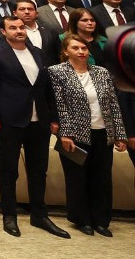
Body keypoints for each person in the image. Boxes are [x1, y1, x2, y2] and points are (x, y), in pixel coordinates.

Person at [0, 15, 68, 238]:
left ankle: (39, 215)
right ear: (3, 31)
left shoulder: (36, 51)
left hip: (39, 121)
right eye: (13, 27)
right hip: (10, 119)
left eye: (21, 27)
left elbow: (45, 87)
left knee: (39, 170)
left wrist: (54, 117)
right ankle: (9, 215)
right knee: (9, 170)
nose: (19, 30)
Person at [47, 34, 128, 237]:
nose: (81, 51)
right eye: (76, 48)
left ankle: (101, 220)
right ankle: (82, 219)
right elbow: (60, 105)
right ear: (66, 51)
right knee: (77, 178)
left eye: (84, 48)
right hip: (74, 135)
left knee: (101, 178)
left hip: (102, 132)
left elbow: (113, 105)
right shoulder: (56, 72)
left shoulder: (102, 72)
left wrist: (119, 133)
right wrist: (66, 134)